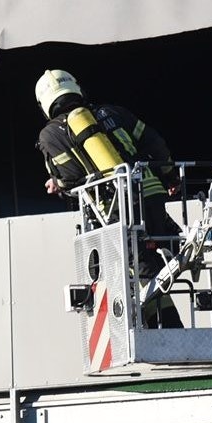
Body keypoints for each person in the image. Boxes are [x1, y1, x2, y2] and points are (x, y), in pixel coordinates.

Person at [34, 69, 184, 328]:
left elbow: (70, 178)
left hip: (115, 206)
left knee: (140, 270)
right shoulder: (113, 112)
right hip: (151, 192)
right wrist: (170, 178)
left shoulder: (51, 134)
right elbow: (155, 144)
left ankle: (171, 332)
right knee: (161, 246)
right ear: (76, 88)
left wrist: (57, 183)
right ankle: (174, 249)